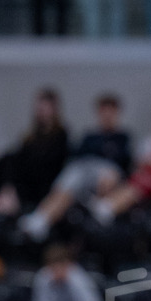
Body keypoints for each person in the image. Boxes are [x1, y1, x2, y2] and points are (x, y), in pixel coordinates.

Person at [20, 92, 133, 241]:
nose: (106, 116)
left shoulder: (123, 138)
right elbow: (78, 158)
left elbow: (125, 165)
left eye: (110, 112)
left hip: (108, 176)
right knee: (72, 175)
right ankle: (41, 218)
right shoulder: (90, 137)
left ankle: (103, 207)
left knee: (107, 173)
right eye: (103, 111)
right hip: (84, 174)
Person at [0, 87, 69, 217]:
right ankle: (7, 195)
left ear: (53, 109)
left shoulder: (61, 135)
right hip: (23, 182)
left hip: (42, 185)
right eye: (39, 105)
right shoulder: (30, 136)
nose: (41, 109)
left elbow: (49, 165)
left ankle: (11, 201)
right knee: (6, 160)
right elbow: (16, 158)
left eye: (45, 106)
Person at [31, 242, 102, 301]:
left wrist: (70, 283)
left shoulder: (78, 276)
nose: (57, 269)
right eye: (53, 266)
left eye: (61, 264)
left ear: (68, 263)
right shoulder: (43, 277)